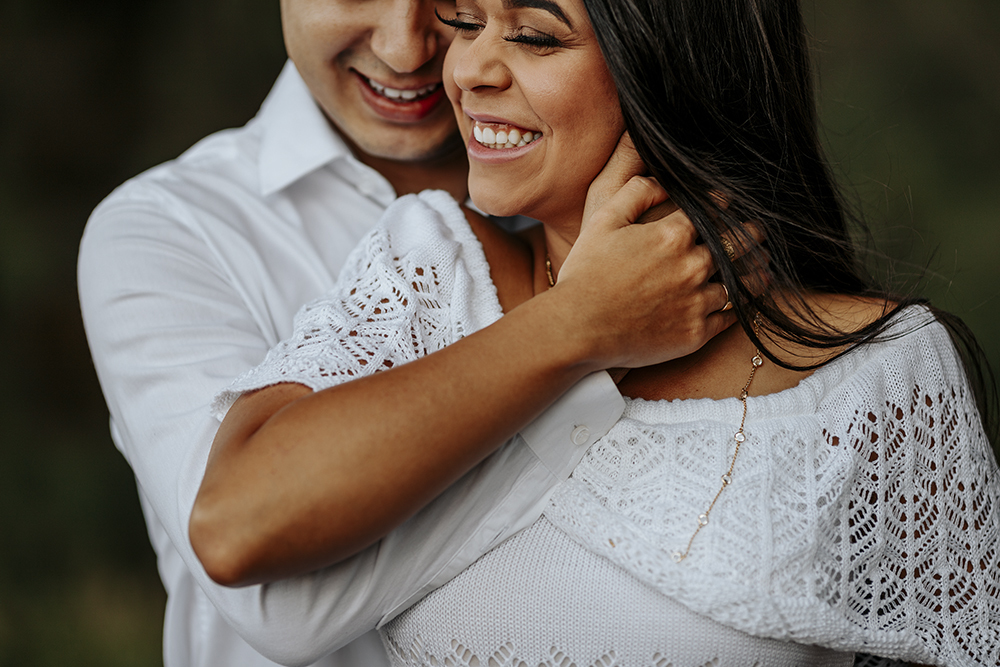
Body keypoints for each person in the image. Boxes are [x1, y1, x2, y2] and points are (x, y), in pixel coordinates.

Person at [194, 0, 1000, 665]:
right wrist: (580, 324)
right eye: (467, 23)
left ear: (675, 64)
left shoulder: (879, 372)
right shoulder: (430, 273)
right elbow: (235, 528)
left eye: (535, 36)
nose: (468, 70)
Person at [77, 0, 742, 666]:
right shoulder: (169, 231)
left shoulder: (589, 184)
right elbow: (276, 597)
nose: (406, 49)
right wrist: (584, 332)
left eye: (449, 2)